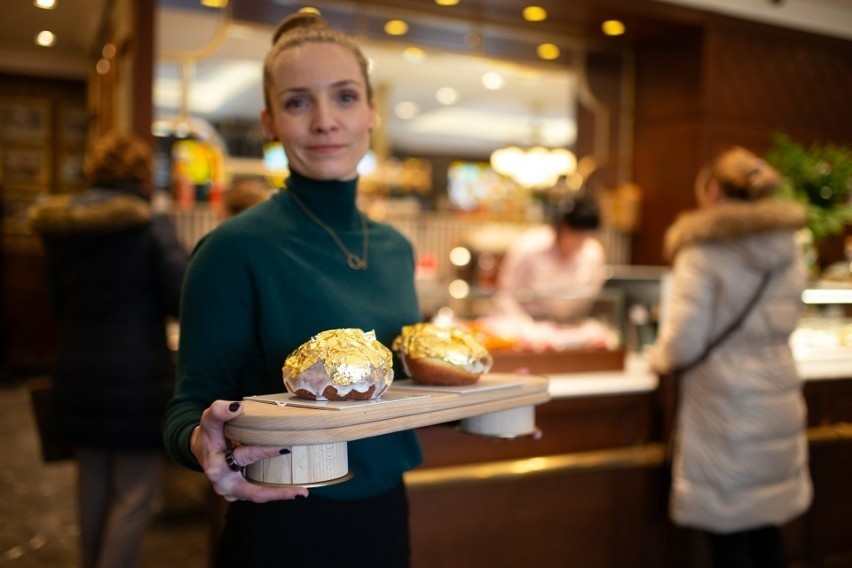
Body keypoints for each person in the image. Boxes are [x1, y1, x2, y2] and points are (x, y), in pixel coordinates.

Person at [161, 12, 423, 567]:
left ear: (372, 111)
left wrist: (480, 394)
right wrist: (203, 447)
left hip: (386, 512)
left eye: (346, 97)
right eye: (299, 102)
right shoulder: (233, 249)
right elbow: (185, 410)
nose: (326, 121)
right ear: (271, 121)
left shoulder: (397, 248)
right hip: (284, 522)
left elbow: (389, 391)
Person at [647, 146, 813, 568]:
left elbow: (682, 343)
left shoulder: (702, 249)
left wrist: (657, 358)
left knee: (729, 531)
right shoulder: (790, 247)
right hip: (777, 391)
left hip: (725, 403)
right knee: (765, 525)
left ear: (714, 191)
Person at [28, 132, 188, 568]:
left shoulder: (62, 229)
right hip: (135, 375)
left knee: (91, 481)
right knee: (135, 493)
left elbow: (56, 305)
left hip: (76, 368)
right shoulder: (148, 225)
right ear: (140, 175)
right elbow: (180, 297)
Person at [495, 193, 606, 322]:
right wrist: (523, 327)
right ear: (561, 227)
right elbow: (505, 294)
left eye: (585, 236)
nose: (580, 242)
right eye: (575, 235)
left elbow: (592, 298)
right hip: (527, 326)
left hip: (572, 327)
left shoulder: (593, 253)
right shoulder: (529, 247)